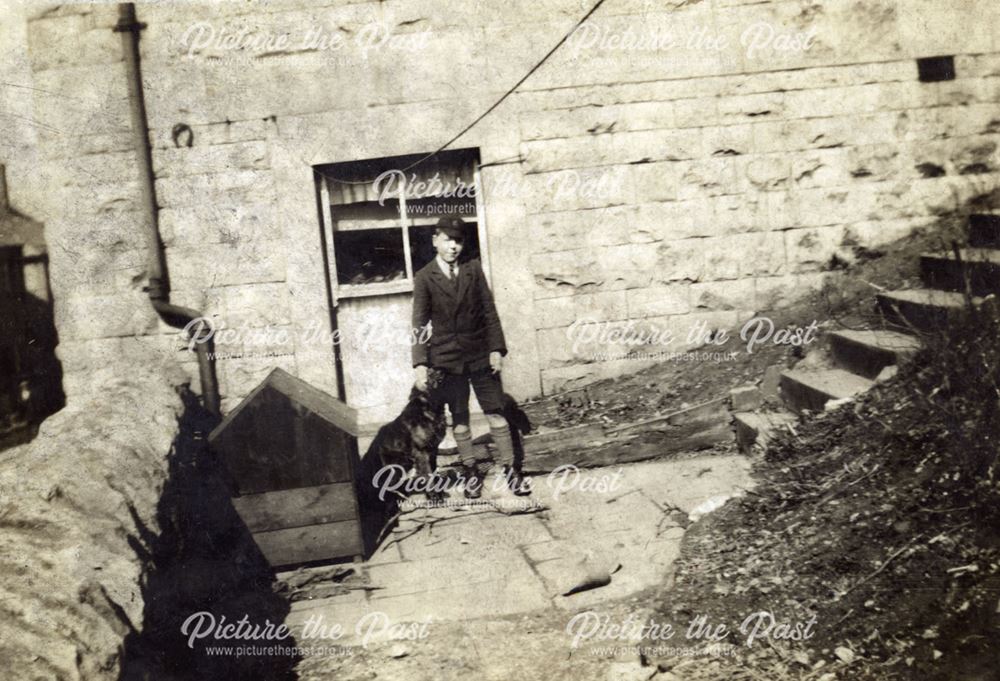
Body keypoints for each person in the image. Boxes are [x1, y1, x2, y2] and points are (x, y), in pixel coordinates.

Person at [411, 217, 530, 498]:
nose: (454, 247)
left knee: (496, 413)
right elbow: (419, 324)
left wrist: (495, 349)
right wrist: (420, 363)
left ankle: (511, 471)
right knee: (460, 420)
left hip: (479, 356)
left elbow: (489, 311)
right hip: (447, 360)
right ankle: (471, 472)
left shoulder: (473, 269)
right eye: (448, 240)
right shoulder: (425, 277)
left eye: (459, 241)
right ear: (435, 240)